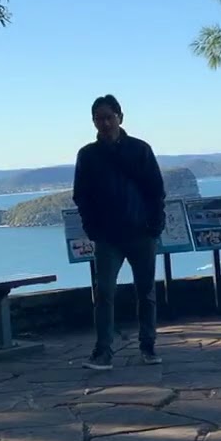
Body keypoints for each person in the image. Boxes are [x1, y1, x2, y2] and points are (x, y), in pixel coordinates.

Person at [72, 94, 167, 370]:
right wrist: (92, 228)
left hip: (141, 233)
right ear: (93, 122)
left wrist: (154, 225)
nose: (104, 123)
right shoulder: (87, 155)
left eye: (109, 117)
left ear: (120, 118)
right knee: (104, 293)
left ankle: (148, 346)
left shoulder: (140, 150)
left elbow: (156, 191)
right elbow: (82, 195)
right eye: (99, 118)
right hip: (107, 238)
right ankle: (103, 352)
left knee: (146, 292)